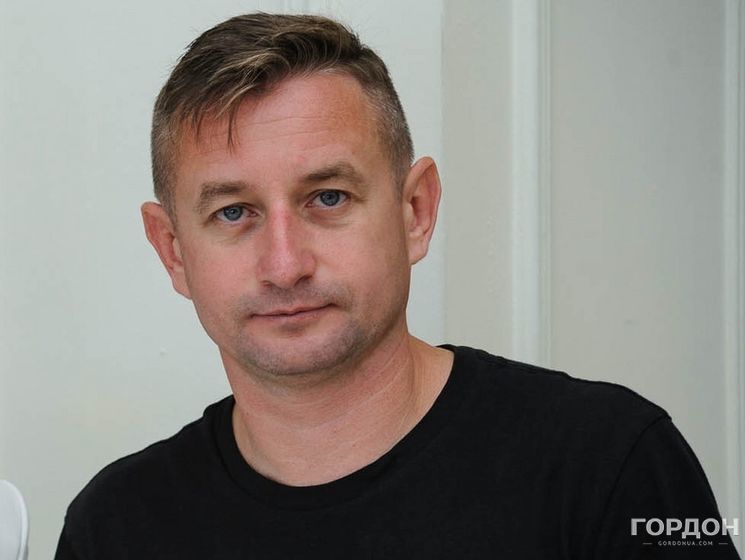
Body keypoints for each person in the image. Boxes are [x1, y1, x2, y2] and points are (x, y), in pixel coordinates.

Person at [55, 13, 740, 559]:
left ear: (415, 210)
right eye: (233, 213)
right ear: (172, 250)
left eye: (327, 197)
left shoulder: (611, 461)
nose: (285, 265)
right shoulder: (114, 527)